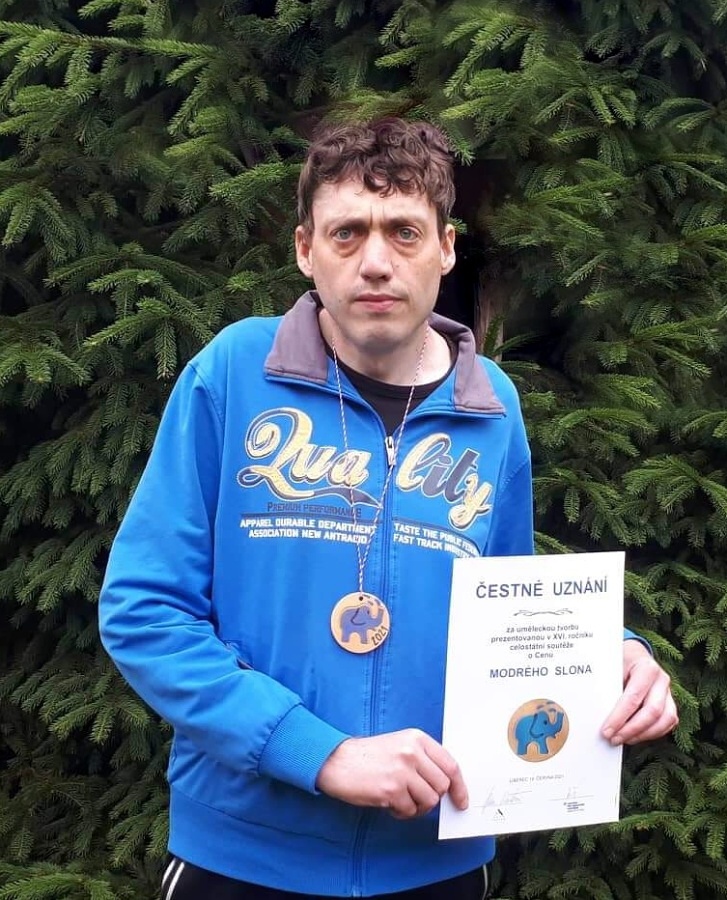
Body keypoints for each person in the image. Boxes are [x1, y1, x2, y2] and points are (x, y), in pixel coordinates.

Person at [99, 118, 679, 900]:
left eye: (403, 231)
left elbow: (507, 608)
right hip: (242, 858)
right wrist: (318, 752)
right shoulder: (232, 374)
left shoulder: (491, 407)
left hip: (434, 859)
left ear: (445, 247)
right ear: (305, 249)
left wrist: (605, 654)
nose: (375, 261)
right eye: (347, 233)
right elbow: (145, 611)